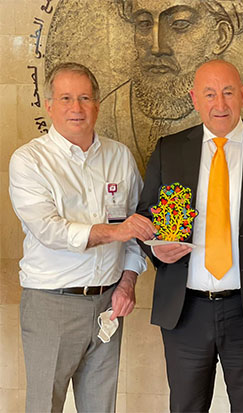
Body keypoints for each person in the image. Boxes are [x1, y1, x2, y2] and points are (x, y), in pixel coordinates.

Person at [136, 59, 243, 412]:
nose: (220, 104)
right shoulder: (169, 151)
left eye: (228, 92)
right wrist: (155, 251)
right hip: (185, 312)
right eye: (210, 94)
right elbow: (146, 219)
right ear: (194, 99)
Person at [8, 62, 157, 412]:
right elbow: (50, 230)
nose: (76, 107)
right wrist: (116, 231)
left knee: (101, 408)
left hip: (108, 304)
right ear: (49, 106)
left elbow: (135, 234)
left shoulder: (120, 156)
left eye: (85, 98)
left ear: (97, 105)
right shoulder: (29, 161)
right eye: (66, 98)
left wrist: (127, 283)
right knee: (45, 406)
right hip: (51, 304)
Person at [98, 0, 243, 174]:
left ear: (221, 36)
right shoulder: (106, 112)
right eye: (144, 23)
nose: (156, 47)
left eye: (180, 23)